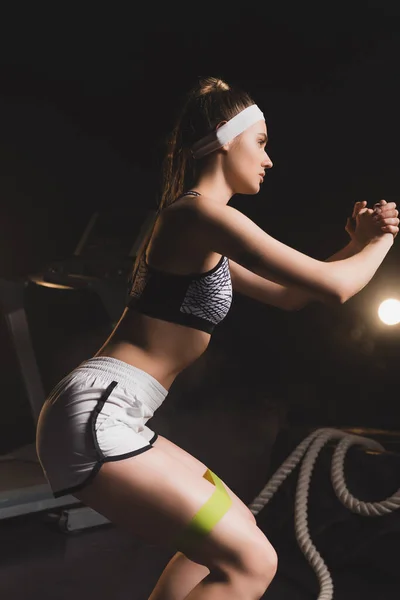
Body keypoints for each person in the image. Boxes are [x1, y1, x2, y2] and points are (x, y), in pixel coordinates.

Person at [36, 76, 399, 600]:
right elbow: (337, 289)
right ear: (228, 140)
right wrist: (380, 239)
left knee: (235, 539)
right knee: (252, 562)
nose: (269, 160)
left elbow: (296, 295)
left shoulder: (204, 229)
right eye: (262, 143)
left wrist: (353, 245)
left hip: (114, 412)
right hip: (98, 415)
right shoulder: (197, 216)